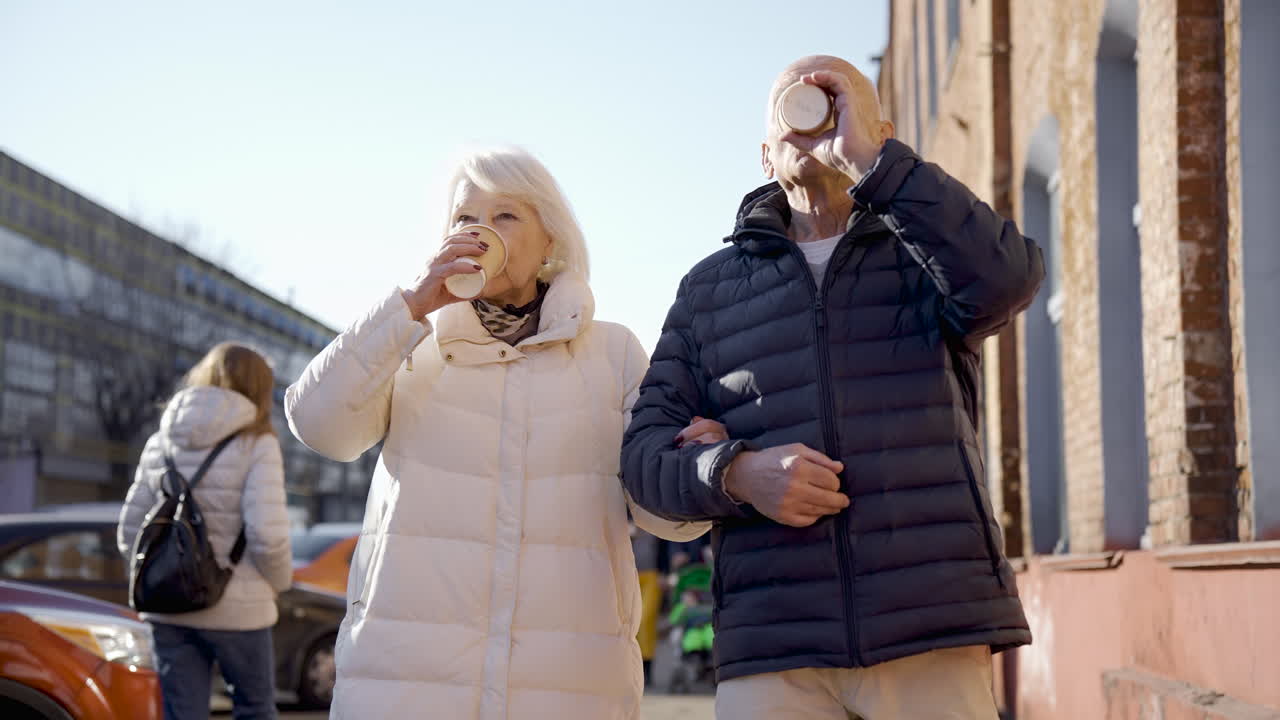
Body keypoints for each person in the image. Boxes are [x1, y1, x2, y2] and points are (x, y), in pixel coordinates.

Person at [621, 55, 1044, 719]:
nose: (810, 111)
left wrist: (876, 167)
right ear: (765, 155)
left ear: (880, 132)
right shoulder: (708, 291)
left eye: (835, 100)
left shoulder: (926, 254)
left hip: (928, 628)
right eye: (790, 104)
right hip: (773, 644)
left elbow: (1009, 279)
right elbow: (643, 458)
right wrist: (736, 474)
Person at [284, 146, 708, 719]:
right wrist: (409, 305)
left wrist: (695, 464)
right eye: (465, 218)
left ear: (550, 240)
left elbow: (666, 518)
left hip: (568, 687)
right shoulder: (409, 344)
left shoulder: (612, 353)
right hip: (405, 682)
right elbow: (319, 428)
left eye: (505, 215)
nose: (481, 230)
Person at [118, 343, 293, 720]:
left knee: (182, 714)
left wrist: (158, 576)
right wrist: (277, 582)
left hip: (167, 609)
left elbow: (130, 529)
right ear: (260, 388)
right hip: (239, 608)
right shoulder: (258, 443)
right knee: (254, 709)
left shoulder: (160, 442)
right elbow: (267, 532)